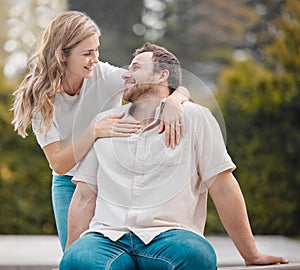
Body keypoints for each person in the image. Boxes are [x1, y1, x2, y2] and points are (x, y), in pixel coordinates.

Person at [59, 43, 288, 269]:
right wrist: (67, 259)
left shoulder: (195, 118)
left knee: (198, 256)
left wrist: (251, 255)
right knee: (77, 261)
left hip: (170, 237)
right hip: (107, 237)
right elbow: (84, 197)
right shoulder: (104, 123)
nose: (126, 75)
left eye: (136, 68)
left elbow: (223, 187)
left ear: (162, 75)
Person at [11, 11, 189, 251]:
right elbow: (59, 164)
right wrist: (94, 130)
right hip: (68, 183)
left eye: (96, 50)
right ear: (63, 55)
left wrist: (173, 102)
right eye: (86, 53)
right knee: (76, 257)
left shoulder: (103, 75)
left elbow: (165, 86)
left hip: (108, 180)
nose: (94, 59)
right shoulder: (41, 97)